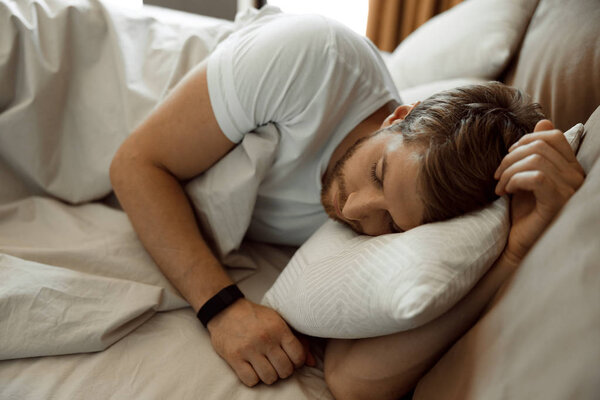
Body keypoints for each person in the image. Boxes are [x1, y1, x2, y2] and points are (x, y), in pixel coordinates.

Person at [109, 6, 585, 399]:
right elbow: (136, 163)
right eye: (378, 171)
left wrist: (514, 255)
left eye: (392, 223)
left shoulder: (404, 213)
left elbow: (353, 381)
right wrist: (223, 308)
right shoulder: (313, 58)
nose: (355, 209)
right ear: (399, 116)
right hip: (105, 76)